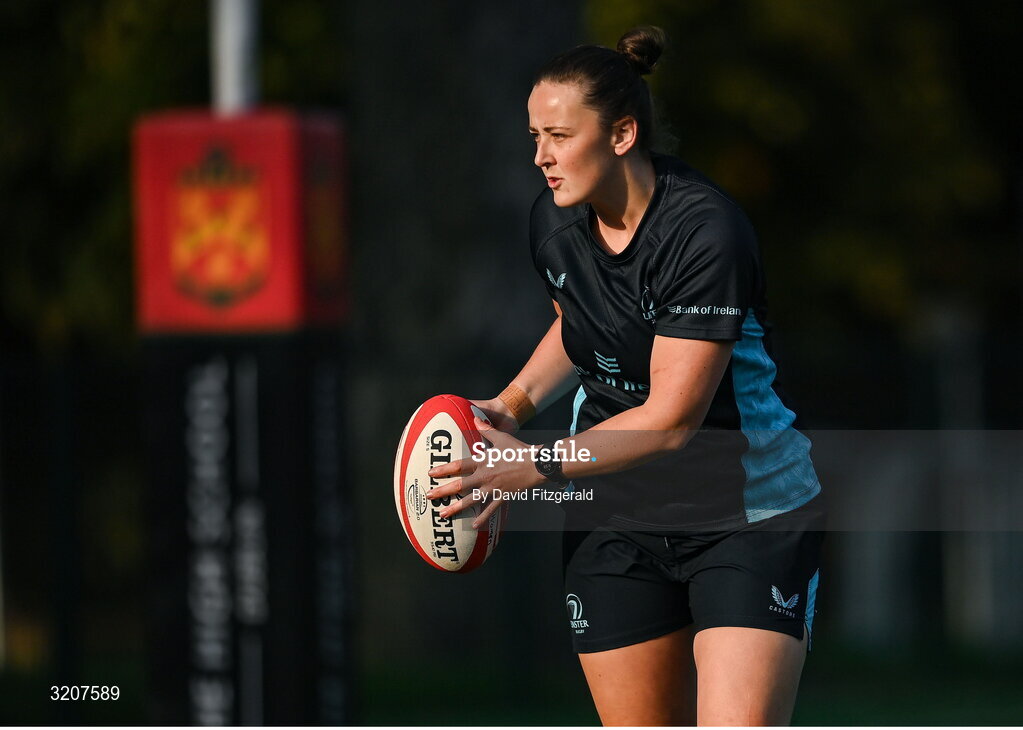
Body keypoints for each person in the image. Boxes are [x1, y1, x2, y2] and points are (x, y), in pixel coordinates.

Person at [426, 26, 825, 726]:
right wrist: (509, 408)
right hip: (614, 520)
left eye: (557, 134)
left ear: (620, 135)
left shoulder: (704, 233)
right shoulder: (553, 224)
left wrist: (539, 464)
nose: (541, 157)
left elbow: (673, 420)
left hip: (744, 519)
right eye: (533, 136)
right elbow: (578, 324)